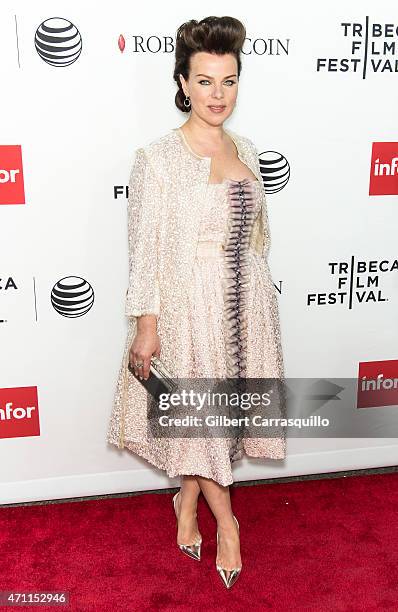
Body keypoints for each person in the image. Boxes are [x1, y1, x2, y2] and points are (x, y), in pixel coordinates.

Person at [107, 16, 286, 589]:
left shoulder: (249, 148)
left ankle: (185, 505)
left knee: (212, 422)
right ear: (182, 82)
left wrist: (259, 299)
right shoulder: (157, 158)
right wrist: (146, 324)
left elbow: (256, 234)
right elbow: (146, 250)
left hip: (244, 304)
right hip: (190, 311)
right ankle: (226, 523)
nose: (218, 95)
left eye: (228, 81)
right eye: (205, 81)